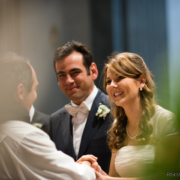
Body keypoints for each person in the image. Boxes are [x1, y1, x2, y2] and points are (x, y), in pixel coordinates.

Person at [0, 53, 98, 180]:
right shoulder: (25, 136)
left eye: (75, 72)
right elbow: (77, 177)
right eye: (35, 89)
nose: (69, 81)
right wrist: (85, 165)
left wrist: (73, 166)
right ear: (21, 91)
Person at [95, 52, 180, 179]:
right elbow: (114, 177)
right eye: (108, 81)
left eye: (119, 78)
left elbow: (168, 176)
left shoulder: (165, 120)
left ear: (141, 81)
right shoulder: (118, 125)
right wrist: (98, 172)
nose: (112, 85)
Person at [49, 41, 112, 173]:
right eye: (61, 75)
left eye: (75, 72)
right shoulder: (54, 121)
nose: (68, 81)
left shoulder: (116, 109)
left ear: (93, 71)